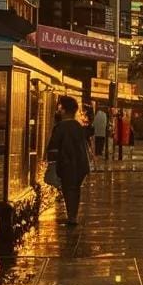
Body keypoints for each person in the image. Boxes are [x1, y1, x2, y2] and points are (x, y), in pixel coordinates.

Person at [45, 96, 92, 226]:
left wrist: (52, 165)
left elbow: (53, 148)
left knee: (68, 189)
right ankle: (73, 215)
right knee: (75, 189)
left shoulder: (60, 127)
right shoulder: (78, 126)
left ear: (64, 110)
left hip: (67, 164)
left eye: (60, 108)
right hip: (81, 164)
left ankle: (71, 217)